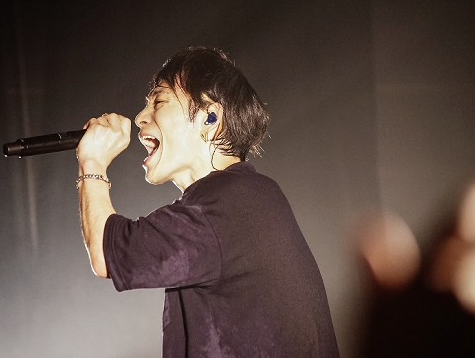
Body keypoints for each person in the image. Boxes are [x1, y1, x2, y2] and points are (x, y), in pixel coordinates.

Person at [76, 46, 340, 357]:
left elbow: (109, 253)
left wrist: (92, 162)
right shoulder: (248, 196)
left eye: (158, 101)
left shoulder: (228, 205)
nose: (140, 117)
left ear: (210, 118)